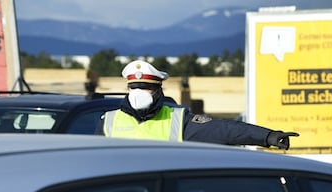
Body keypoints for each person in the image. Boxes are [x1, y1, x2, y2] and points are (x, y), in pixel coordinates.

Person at [96, 60, 299, 149]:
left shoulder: (176, 120)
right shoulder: (108, 122)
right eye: (134, 87)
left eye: (145, 87)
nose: (138, 93)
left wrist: (266, 136)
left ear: (159, 91)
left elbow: (222, 130)